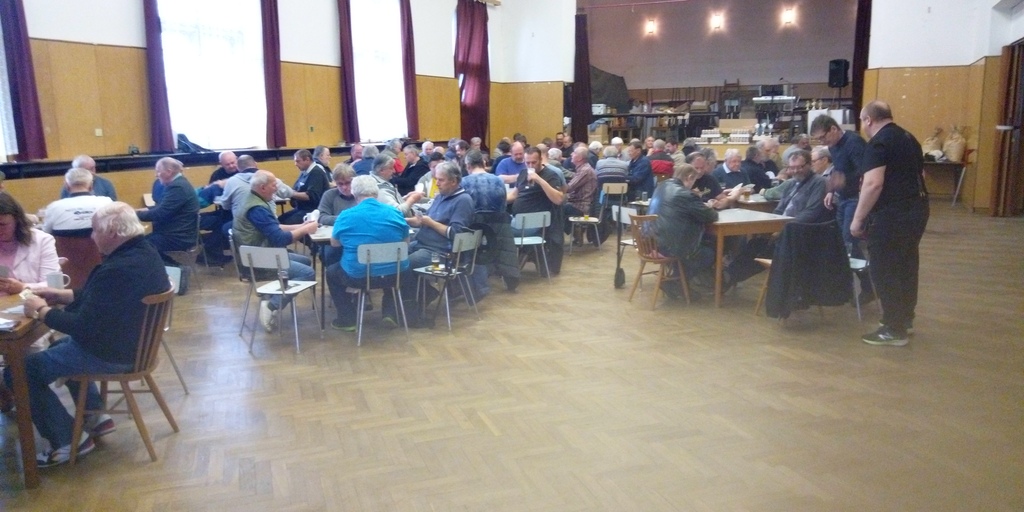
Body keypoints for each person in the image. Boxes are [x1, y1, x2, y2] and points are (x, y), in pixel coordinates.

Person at [3, 202, 170, 467]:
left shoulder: (116, 269)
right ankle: (95, 416)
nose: (92, 236)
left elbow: (82, 326)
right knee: (59, 348)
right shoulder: (143, 252)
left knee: (18, 372)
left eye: (95, 230)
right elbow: (104, 299)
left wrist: (43, 310)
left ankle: (67, 440)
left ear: (112, 232)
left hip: (112, 354)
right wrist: (62, 295)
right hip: (132, 347)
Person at [852, 101, 929, 346]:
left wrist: (858, 219)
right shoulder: (909, 138)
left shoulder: (879, 143)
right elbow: (921, 175)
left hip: (892, 214)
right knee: (906, 265)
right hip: (917, 209)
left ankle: (893, 329)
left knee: (885, 269)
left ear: (868, 120)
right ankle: (905, 320)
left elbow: (873, 184)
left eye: (862, 121)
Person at [325, 175, 423, 331]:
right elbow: (405, 243)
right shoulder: (395, 213)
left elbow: (335, 243)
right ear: (376, 193)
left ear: (354, 193)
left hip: (358, 276)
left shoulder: (346, 216)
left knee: (331, 272)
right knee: (390, 266)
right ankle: (390, 314)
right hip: (396, 274)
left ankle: (347, 319)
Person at [726, 150, 832, 285]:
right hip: (783, 230)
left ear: (809, 165)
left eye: (799, 167)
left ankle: (728, 278)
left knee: (766, 251)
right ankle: (727, 276)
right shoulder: (791, 183)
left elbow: (811, 212)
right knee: (755, 243)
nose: (795, 171)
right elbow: (780, 209)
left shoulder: (819, 182)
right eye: (792, 168)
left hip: (801, 233)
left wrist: (784, 228)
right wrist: (771, 226)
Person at [232, 170, 319, 332]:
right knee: (307, 273)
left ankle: (273, 297)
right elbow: (280, 239)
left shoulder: (251, 200)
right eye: (274, 185)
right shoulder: (257, 209)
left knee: (305, 261)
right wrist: (306, 230)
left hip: (257, 254)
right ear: (263, 187)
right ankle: (271, 305)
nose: (277, 188)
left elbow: (273, 227)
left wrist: (300, 226)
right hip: (260, 260)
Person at [811, 114, 873, 306]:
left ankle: (868, 287)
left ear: (833, 129)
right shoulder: (833, 146)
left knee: (849, 242)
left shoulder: (854, 143)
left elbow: (866, 172)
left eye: (823, 137)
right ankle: (847, 287)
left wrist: (845, 180)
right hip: (843, 198)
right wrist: (831, 190)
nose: (822, 142)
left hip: (856, 198)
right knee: (842, 243)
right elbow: (838, 171)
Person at [650, 162, 718, 296]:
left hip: (652, 241)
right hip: (670, 246)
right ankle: (677, 283)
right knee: (708, 253)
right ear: (689, 178)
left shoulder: (661, 186)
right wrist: (707, 205)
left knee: (698, 244)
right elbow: (710, 216)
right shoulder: (686, 195)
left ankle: (676, 280)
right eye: (694, 181)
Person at [406, 161, 475, 273]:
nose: (437, 183)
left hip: (441, 252)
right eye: (436, 179)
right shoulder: (441, 197)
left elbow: (456, 233)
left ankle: (421, 286)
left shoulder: (463, 200)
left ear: (453, 181)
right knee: (393, 258)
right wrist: (404, 220)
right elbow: (423, 221)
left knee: (404, 264)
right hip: (422, 244)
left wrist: (431, 223)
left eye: (441, 180)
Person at [509, 147, 565, 275]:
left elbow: (558, 199)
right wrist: (497, 198)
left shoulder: (551, 175)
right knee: (496, 223)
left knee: (500, 230)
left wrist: (539, 179)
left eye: (533, 162)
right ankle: (510, 265)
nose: (530, 166)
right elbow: (514, 195)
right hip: (518, 220)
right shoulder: (523, 173)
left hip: (535, 224)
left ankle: (508, 269)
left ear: (540, 160)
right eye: (527, 162)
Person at [136, 157, 200, 266]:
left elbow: (159, 213)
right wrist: (137, 211)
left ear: (169, 172)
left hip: (178, 237)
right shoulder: (179, 183)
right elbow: (161, 207)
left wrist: (133, 214)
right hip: (176, 233)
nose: (156, 175)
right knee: (140, 243)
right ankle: (174, 267)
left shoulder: (177, 187)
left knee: (139, 246)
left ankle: (176, 269)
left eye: (158, 171)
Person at [0, 193, 61, 296]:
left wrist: (23, 287)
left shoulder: (42, 241)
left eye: (3, 225)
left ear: (17, 220)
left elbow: (54, 286)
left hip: (32, 302)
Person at [41, 168, 113, 237]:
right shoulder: (107, 203)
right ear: (91, 186)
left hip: (65, 246)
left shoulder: (53, 207)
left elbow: (45, 233)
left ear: (66, 186)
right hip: (102, 246)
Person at [280, 149, 329, 225]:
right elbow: (295, 188)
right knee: (279, 220)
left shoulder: (316, 173)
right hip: (301, 208)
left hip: (312, 211)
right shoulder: (304, 172)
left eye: (298, 161)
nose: (295, 164)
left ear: (307, 159)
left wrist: (291, 193)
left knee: (285, 223)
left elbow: (310, 196)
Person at [562, 146, 598, 228]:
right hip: (577, 203)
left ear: (579, 158)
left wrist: (554, 187)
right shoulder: (583, 168)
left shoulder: (585, 170)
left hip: (580, 207)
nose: (571, 154)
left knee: (555, 209)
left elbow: (568, 188)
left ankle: (558, 234)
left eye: (574, 153)